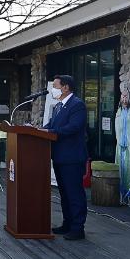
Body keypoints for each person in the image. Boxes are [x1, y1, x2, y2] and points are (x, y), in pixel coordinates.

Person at [43, 75, 88, 240]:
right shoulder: (58, 106)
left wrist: (51, 132)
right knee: (64, 193)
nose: (52, 89)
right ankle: (67, 223)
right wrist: (39, 130)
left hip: (72, 157)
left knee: (74, 193)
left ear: (66, 87)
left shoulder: (77, 105)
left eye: (55, 86)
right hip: (59, 157)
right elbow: (52, 126)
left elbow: (73, 127)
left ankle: (78, 228)